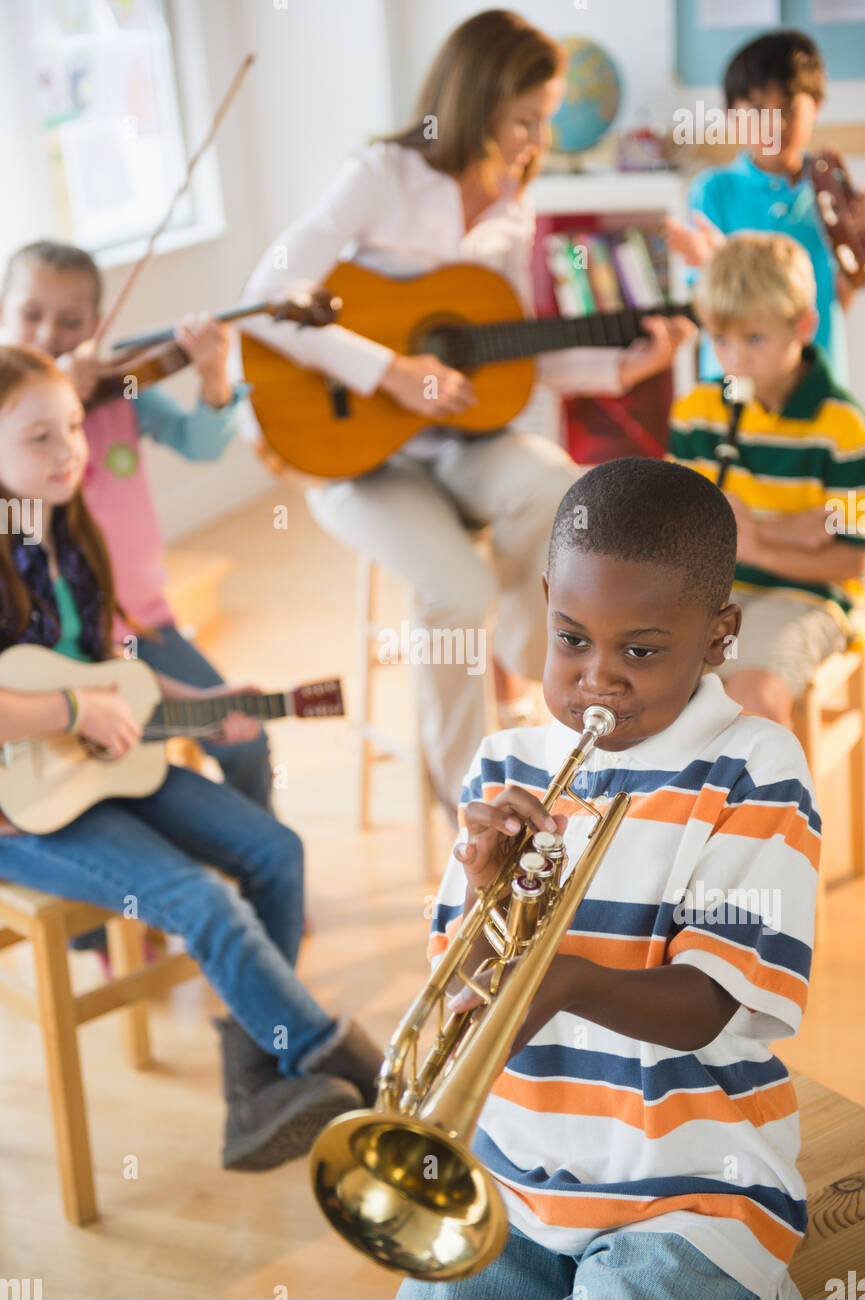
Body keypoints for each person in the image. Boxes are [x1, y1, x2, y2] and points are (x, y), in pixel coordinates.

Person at [240, 8, 693, 818]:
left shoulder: (513, 198)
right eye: (523, 119)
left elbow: (512, 351)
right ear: (475, 100)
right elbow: (266, 299)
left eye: (543, 121)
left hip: (466, 441)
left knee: (571, 500)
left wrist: (622, 365)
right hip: (359, 455)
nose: (532, 140)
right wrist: (391, 370)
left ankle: (530, 672)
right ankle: (469, 801)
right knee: (455, 589)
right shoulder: (381, 174)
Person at [398, 457, 816, 1300]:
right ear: (545, 601)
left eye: (640, 650)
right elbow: (463, 1000)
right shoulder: (502, 765)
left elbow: (706, 1005)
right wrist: (486, 891)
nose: (598, 678)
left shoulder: (753, 767)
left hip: (693, 1190)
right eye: (571, 639)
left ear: (717, 636)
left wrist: (562, 981)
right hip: (512, 1176)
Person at [0, 344, 381, 1169]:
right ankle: (329, 1057)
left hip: (104, 766)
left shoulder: (71, 526)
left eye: (73, 426)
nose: (70, 450)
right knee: (200, 902)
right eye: (39, 437)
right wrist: (71, 708)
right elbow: (67, 695)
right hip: (21, 813)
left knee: (276, 851)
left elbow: (108, 656)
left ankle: (254, 1077)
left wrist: (212, 705)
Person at [0, 240, 273, 811]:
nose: (49, 334)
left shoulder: (121, 390)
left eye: (71, 322)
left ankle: (255, 851)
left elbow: (200, 445)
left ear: (97, 326)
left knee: (246, 742)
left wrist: (213, 375)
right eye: (31, 315)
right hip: (54, 644)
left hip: (140, 623)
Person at [667, 232, 865, 726]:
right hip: (711, 593)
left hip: (807, 598)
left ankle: (773, 805)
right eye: (720, 339)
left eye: (754, 339)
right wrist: (788, 530)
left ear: (804, 326)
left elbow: (854, 558)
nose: (735, 360)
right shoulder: (696, 413)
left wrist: (756, 546)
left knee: (751, 699)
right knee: (646, 682)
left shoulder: (844, 427)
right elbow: (676, 533)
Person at [667, 28, 857, 385]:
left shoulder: (831, 193)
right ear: (730, 116)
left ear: (817, 107)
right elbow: (710, 308)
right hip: (732, 382)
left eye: (787, 108)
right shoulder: (713, 190)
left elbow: (835, 300)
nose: (773, 124)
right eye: (756, 110)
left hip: (812, 379)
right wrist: (713, 263)